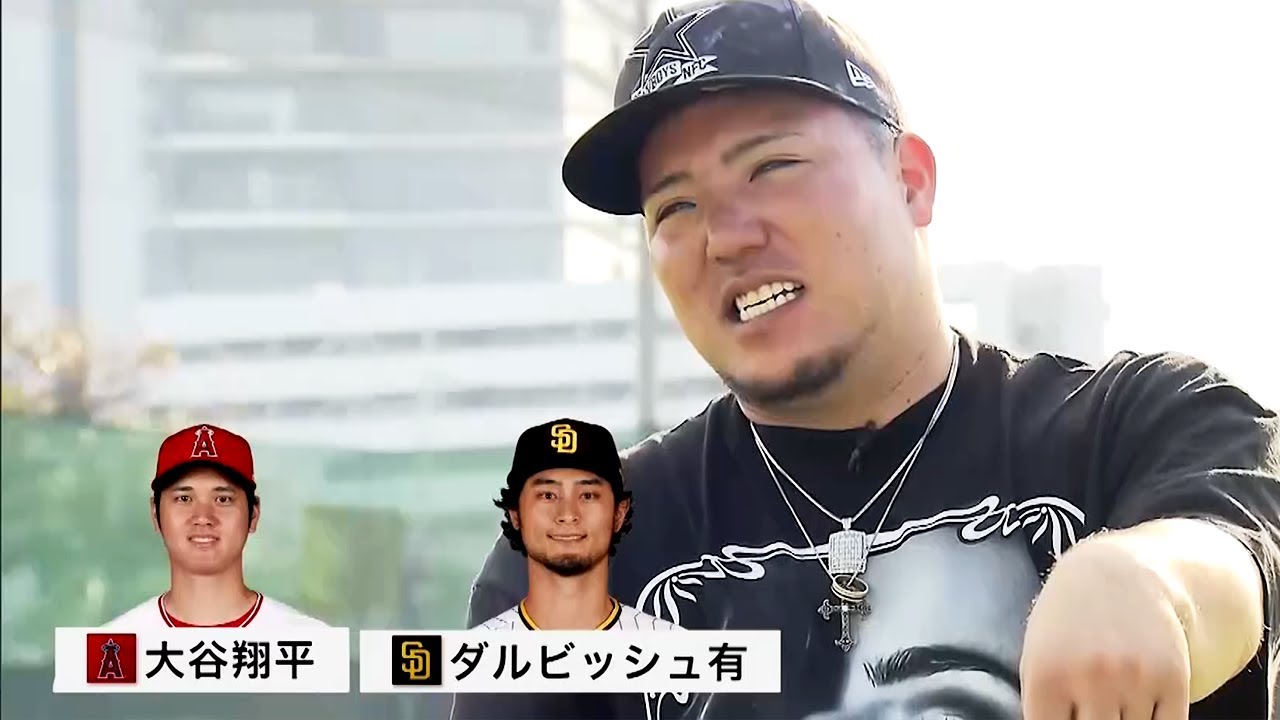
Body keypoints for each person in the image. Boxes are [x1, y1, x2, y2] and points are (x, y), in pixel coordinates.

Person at [467, 1, 1280, 719]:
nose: (725, 237)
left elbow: (1232, 556)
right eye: (674, 206)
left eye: (772, 167)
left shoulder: (1138, 425)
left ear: (911, 182)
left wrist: (1144, 585)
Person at [451, 418, 677, 719]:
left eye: (588, 496)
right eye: (548, 496)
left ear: (619, 513)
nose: (567, 515)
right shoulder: (505, 590)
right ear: (516, 515)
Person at [105, 424, 326, 628]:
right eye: (184, 498)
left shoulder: (306, 642)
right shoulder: (115, 640)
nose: (203, 517)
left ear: (254, 514)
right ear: (155, 513)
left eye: (223, 499)